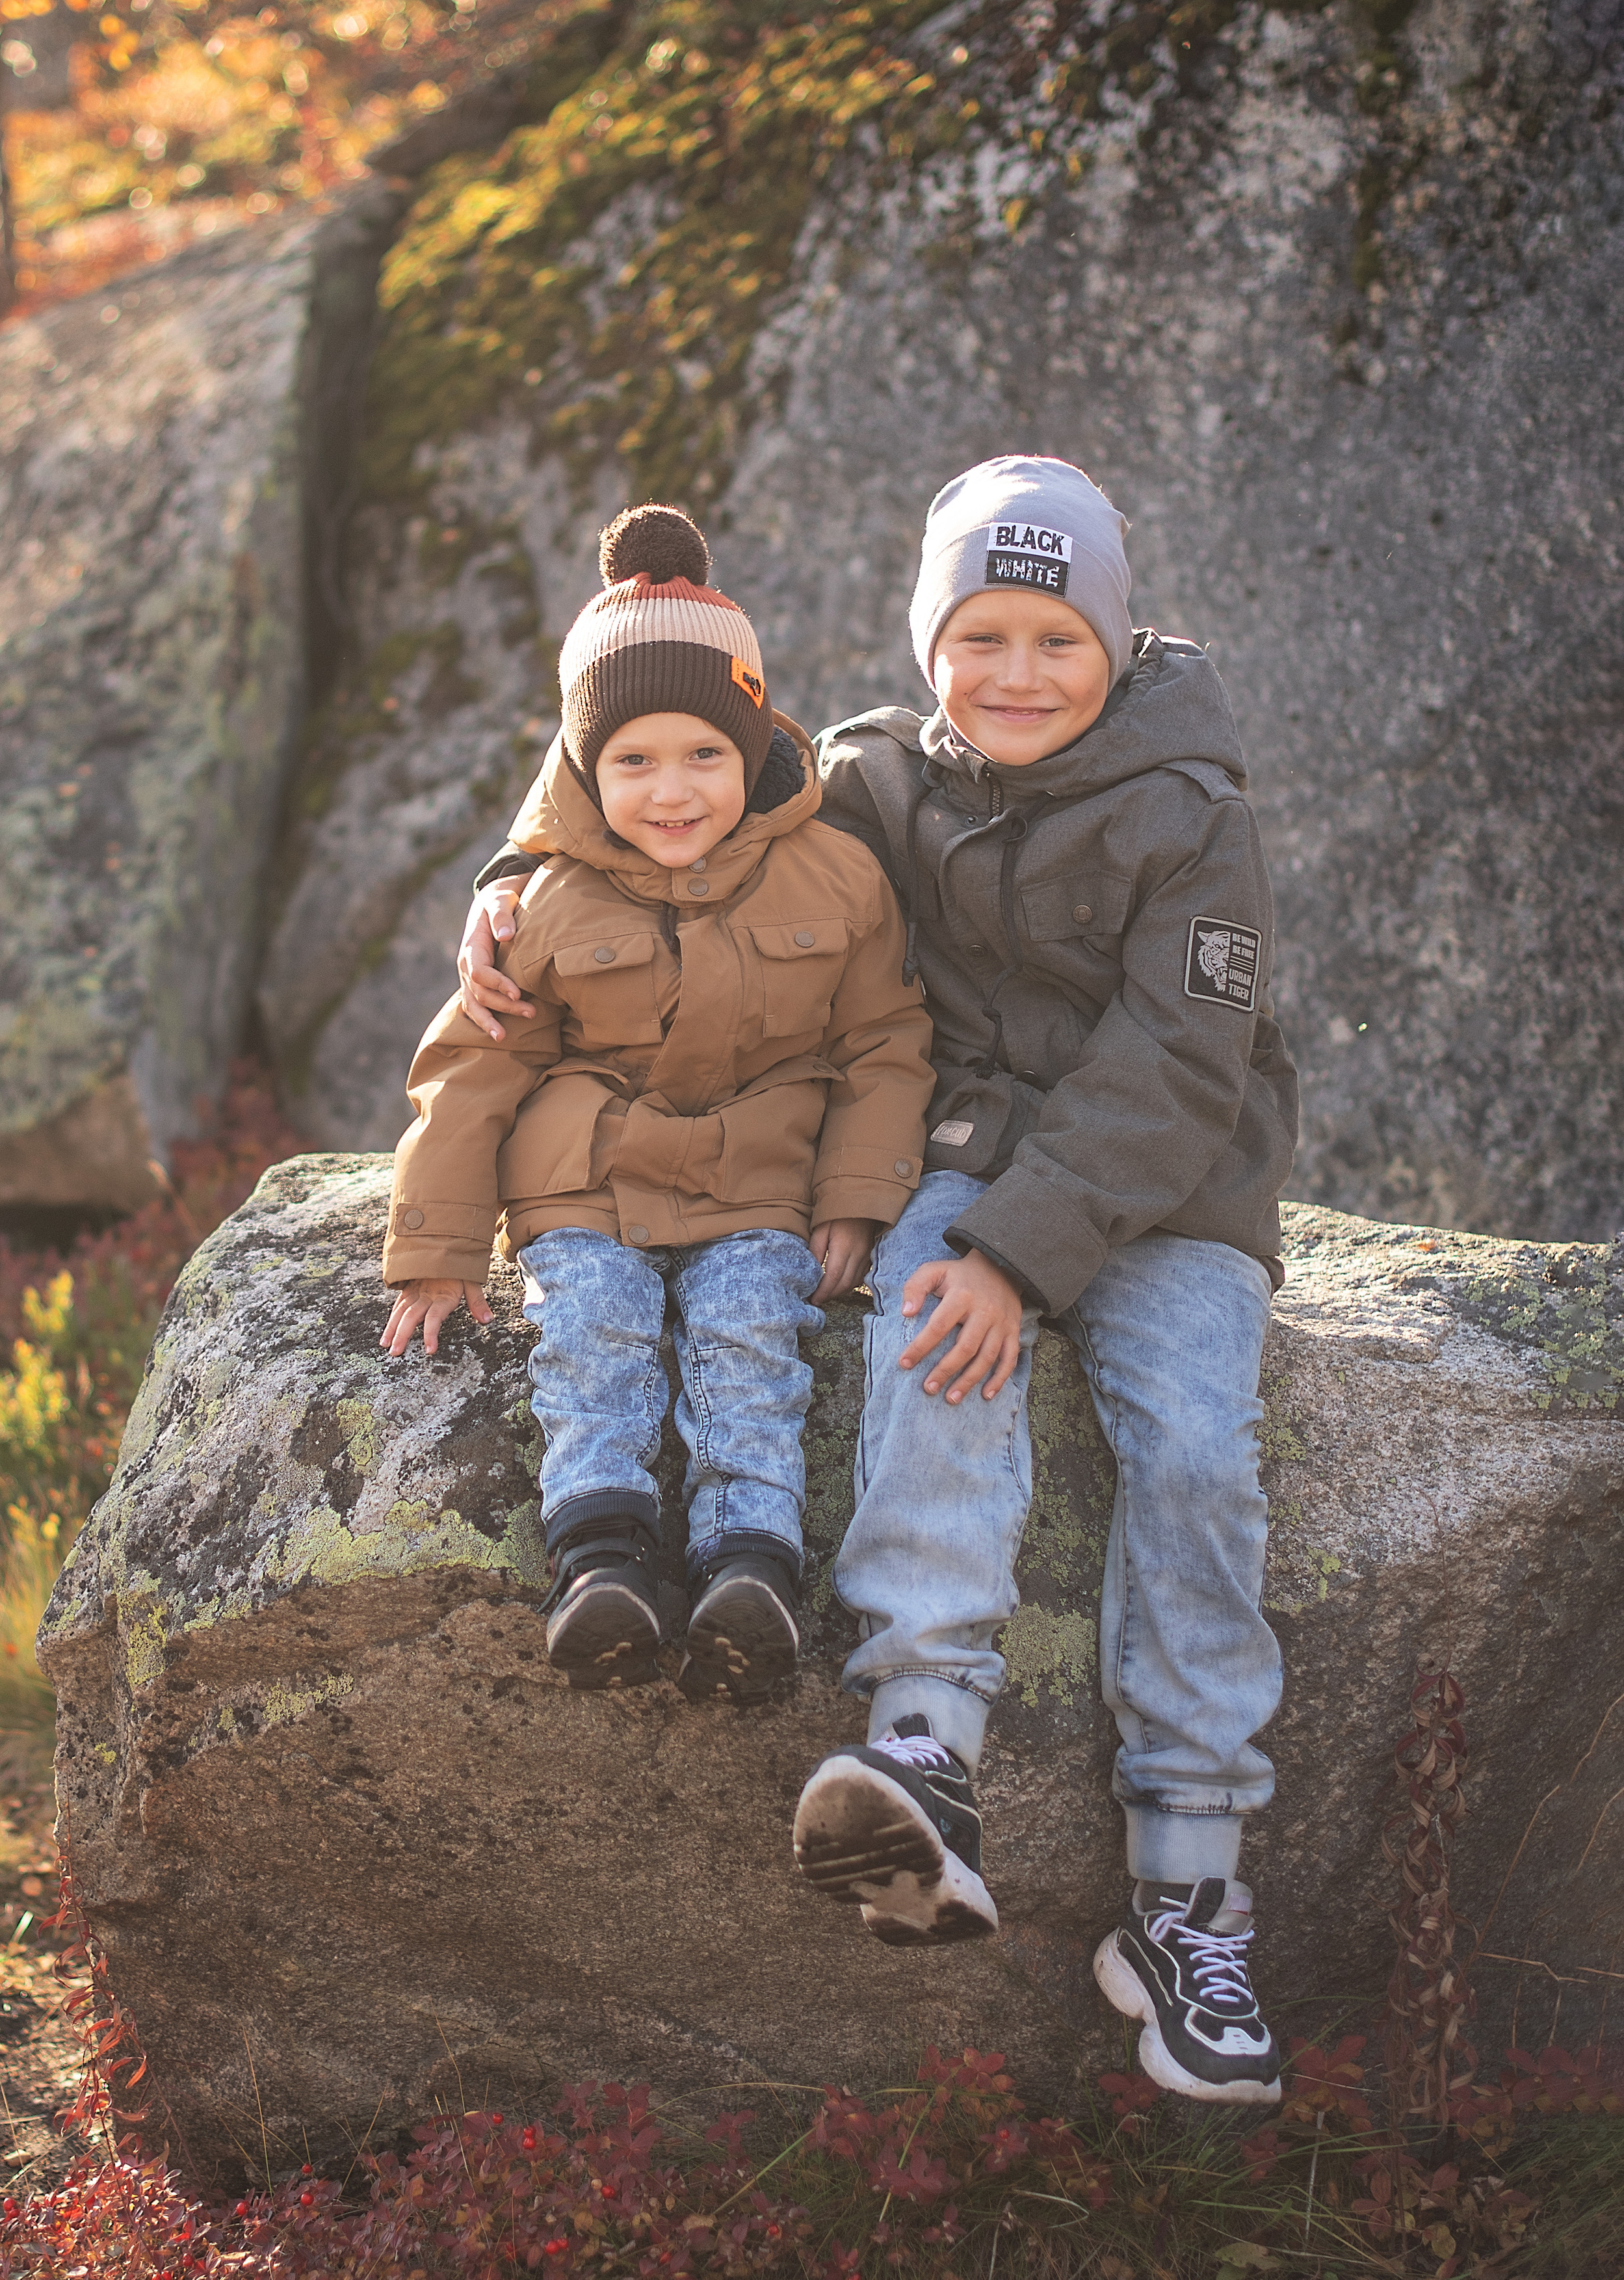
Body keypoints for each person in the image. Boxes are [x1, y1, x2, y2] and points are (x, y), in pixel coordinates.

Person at [458, 462, 1300, 2102]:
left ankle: (1189, 1891)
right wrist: (504, 883)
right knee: (934, 1349)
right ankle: (926, 1746)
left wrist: (1013, 1253)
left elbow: (1181, 1065)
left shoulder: (1198, 816)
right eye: (977, 634)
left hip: (1175, 1192)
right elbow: (651, 764)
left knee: (1195, 1449)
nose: (1014, 674)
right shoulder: (865, 776)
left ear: (1114, 647)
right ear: (928, 642)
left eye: (1055, 638)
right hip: (960, 1151)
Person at [384, 504, 934, 1710]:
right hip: (586, 1180)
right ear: (584, 767)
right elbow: (470, 1067)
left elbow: (886, 1044)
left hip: (759, 1180)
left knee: (750, 1342)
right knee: (596, 1337)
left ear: (755, 747)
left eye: (704, 756)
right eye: (632, 761)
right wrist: (435, 1250)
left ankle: (752, 1568)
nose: (672, 791)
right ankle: (603, 1560)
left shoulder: (836, 874)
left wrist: (855, 1198)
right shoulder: (546, 901)